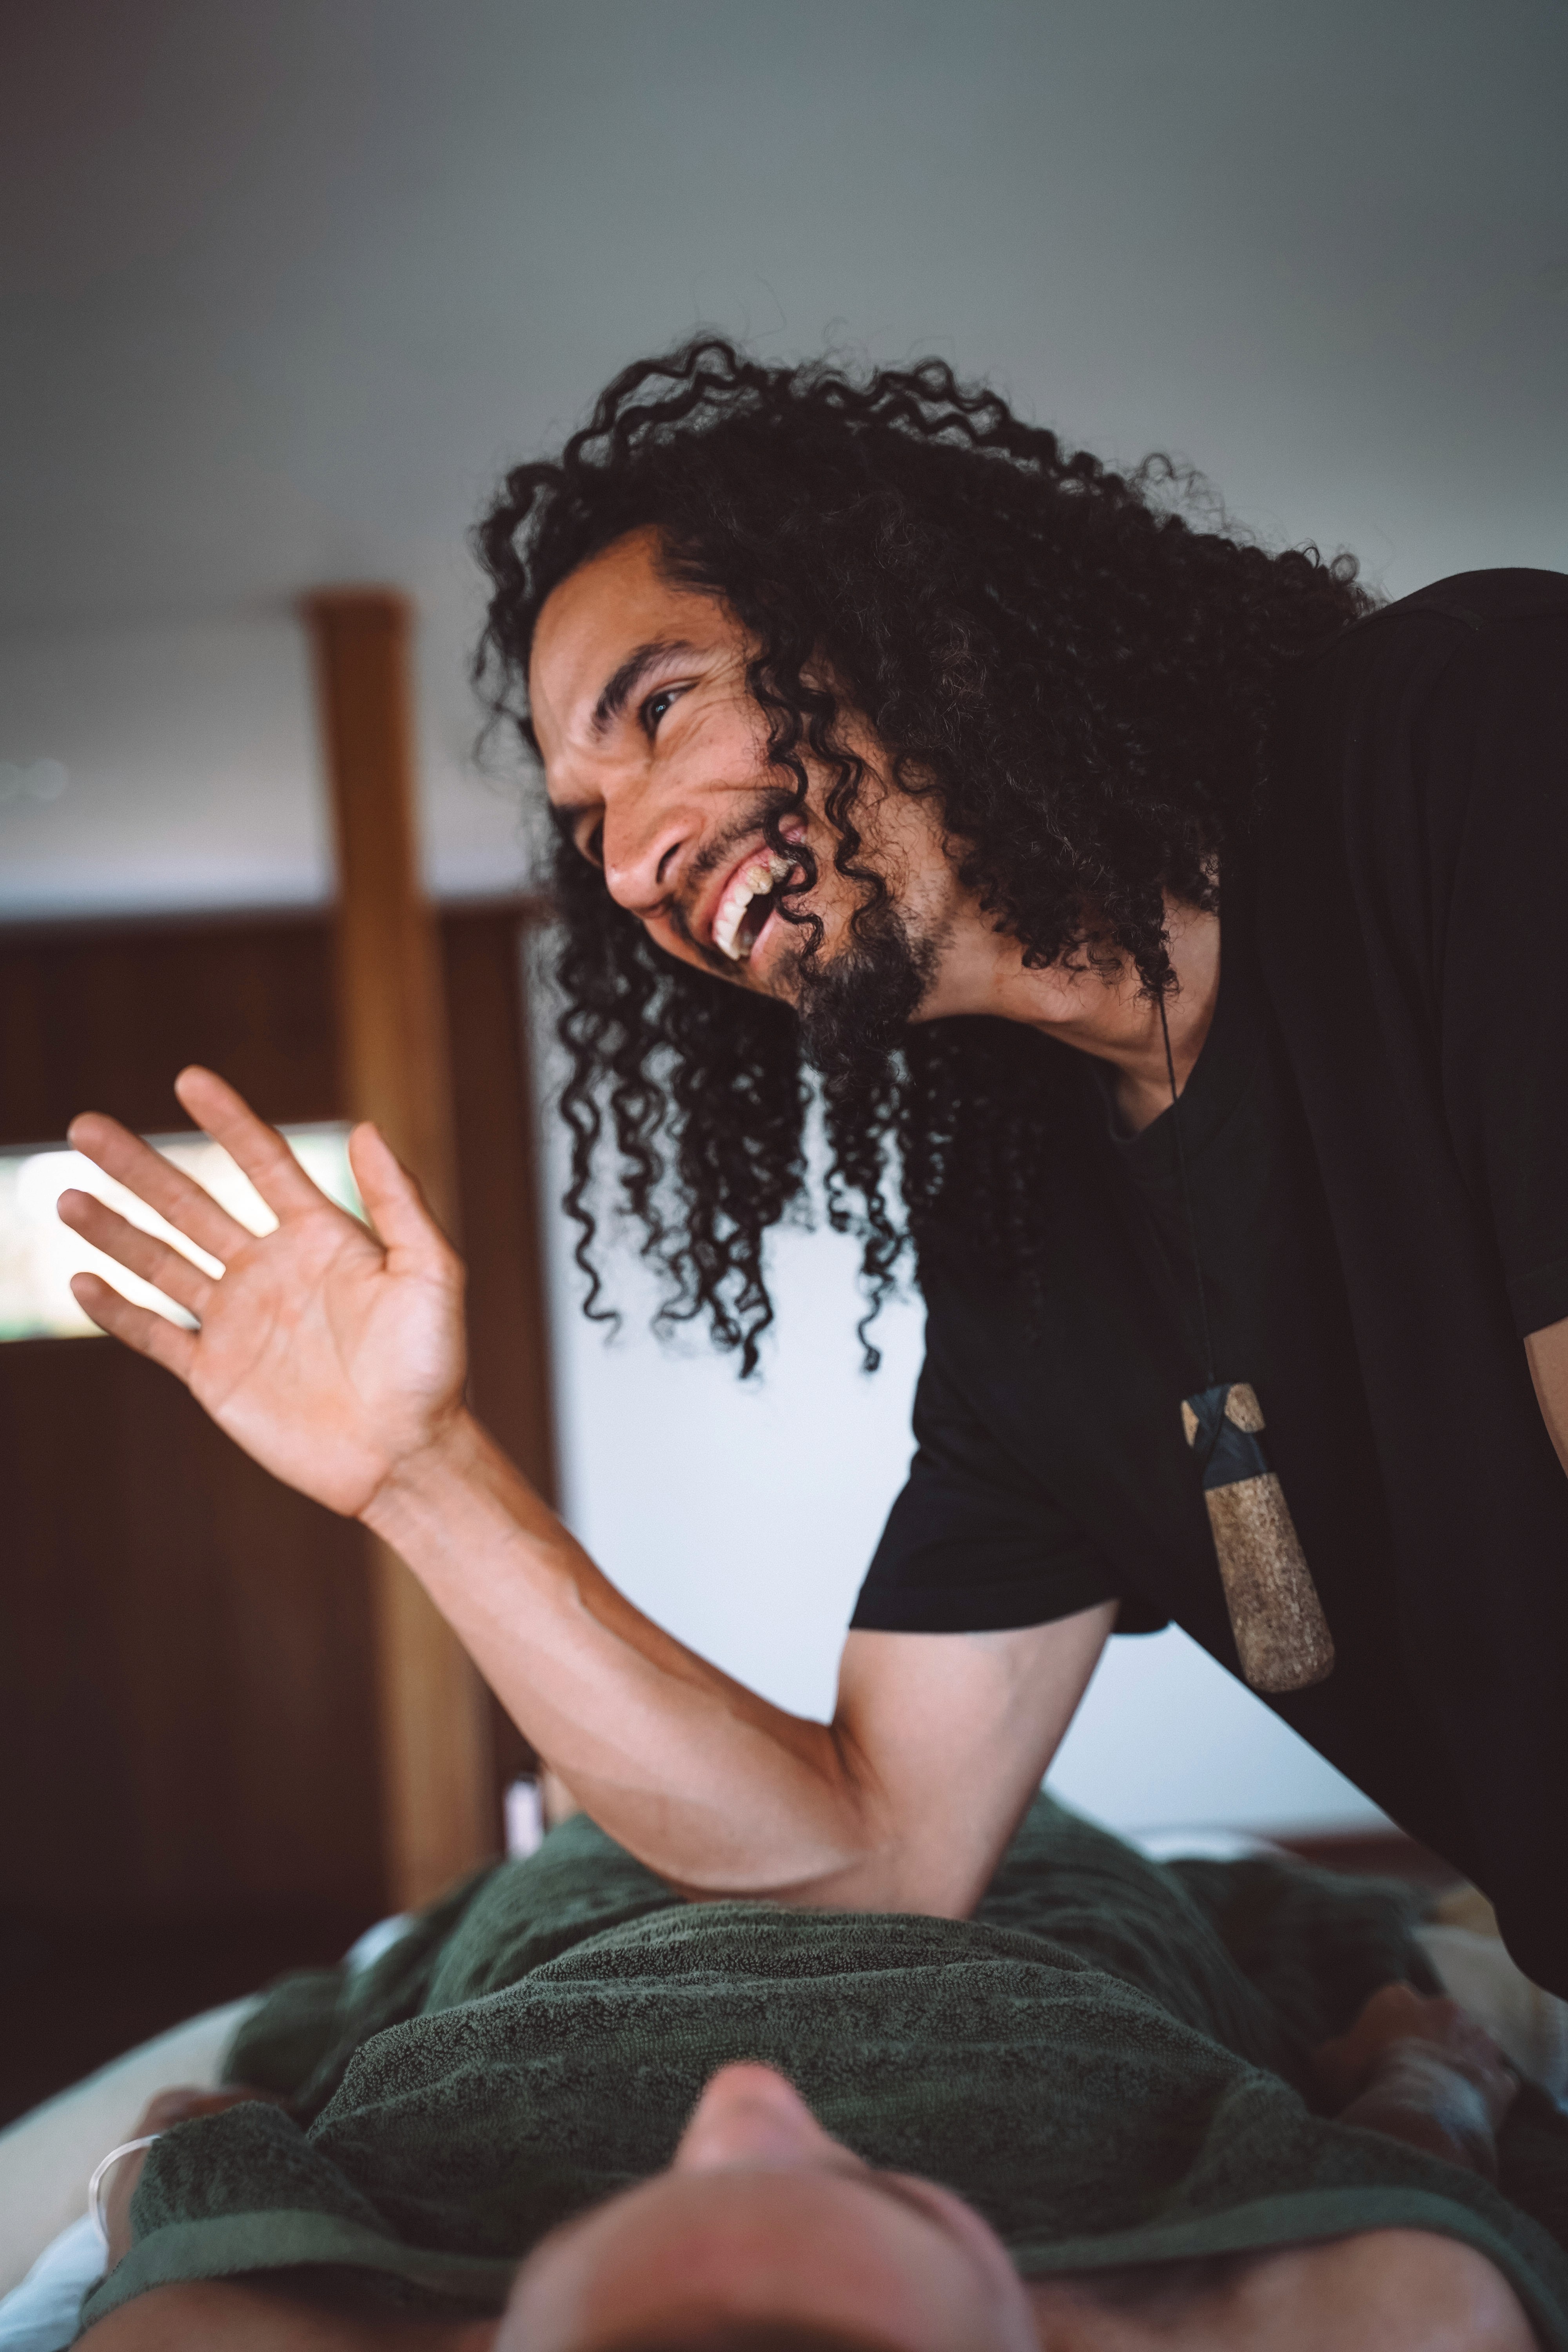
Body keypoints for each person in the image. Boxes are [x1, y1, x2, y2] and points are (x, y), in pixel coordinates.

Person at [61, 341, 1568, 1988]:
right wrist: (421, 1475)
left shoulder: (1468, 738)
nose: (629, 868)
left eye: (658, 707)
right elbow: (877, 1853)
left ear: (900, 612)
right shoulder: (1020, 1259)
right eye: (587, 827)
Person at [68, 1798, 1568, 2348]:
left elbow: (187, 2146)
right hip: (1026, 1913)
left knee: (611, 1815)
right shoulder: (1393, 2314)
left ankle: (585, 1808)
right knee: (996, 1814)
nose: (747, 2096)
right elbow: (1425, 2152)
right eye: (894, 2193)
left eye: (624, 2202)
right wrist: (1422, 2078)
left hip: (594, 1910)